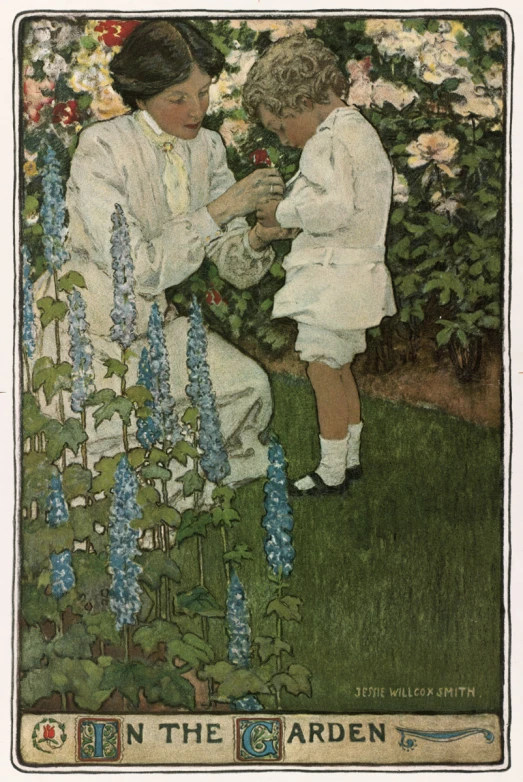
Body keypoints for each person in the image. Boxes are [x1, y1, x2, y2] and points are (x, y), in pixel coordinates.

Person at [35, 20, 292, 494]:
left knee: (250, 388)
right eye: (179, 98)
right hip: (85, 328)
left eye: (204, 93)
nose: (197, 110)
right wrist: (220, 209)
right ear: (141, 95)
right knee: (100, 439)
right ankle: (157, 484)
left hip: (155, 326)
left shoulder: (209, 148)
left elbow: (231, 263)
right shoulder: (103, 148)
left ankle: (177, 476)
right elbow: (136, 267)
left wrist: (258, 236)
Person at [243, 36, 397, 496]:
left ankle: (331, 471)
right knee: (339, 364)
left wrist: (282, 215)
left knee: (321, 369)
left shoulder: (326, 141)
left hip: (334, 277)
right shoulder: (357, 130)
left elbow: (333, 208)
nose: (284, 138)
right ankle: (348, 459)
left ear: (304, 102)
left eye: (280, 125)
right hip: (357, 271)